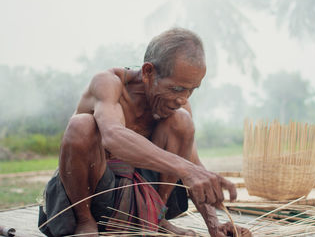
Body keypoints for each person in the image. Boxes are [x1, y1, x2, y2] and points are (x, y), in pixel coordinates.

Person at [38, 28, 251, 237]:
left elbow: (193, 164)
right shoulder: (109, 84)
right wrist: (185, 168)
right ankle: (85, 223)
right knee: (81, 125)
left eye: (192, 89)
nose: (183, 99)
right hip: (90, 196)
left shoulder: (178, 108)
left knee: (182, 121)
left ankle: (156, 219)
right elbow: (112, 136)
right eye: (176, 89)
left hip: (141, 203)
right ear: (149, 72)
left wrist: (215, 226)